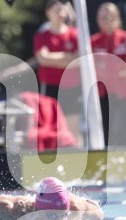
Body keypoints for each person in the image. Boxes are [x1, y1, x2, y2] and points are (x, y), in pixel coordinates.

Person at [34, 0, 82, 145]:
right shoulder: (43, 36)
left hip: (72, 87)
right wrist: (67, 58)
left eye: (62, 10)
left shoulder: (75, 34)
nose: (60, 14)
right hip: (50, 86)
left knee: (73, 127)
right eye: (56, 10)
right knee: (50, 126)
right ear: (48, 13)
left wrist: (53, 58)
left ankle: (75, 154)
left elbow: (78, 59)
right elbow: (43, 59)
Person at [91, 2, 126, 146]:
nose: (107, 21)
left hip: (125, 90)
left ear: (117, 18)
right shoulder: (93, 42)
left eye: (110, 17)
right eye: (103, 18)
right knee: (105, 128)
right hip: (103, 92)